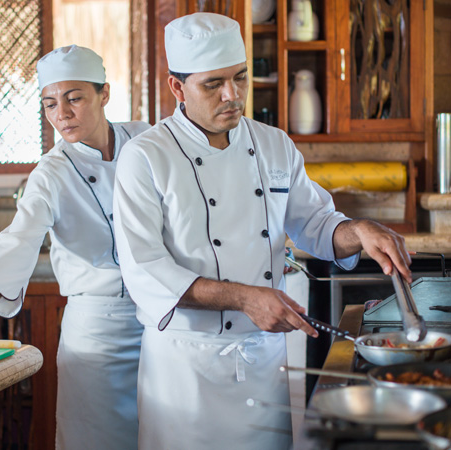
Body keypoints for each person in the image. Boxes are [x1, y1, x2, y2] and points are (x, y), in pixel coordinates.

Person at [112, 13, 412, 450]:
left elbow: (316, 224)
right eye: (212, 84)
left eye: (240, 78)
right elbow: (145, 270)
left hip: (262, 361)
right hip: (184, 369)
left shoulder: (273, 143)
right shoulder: (145, 157)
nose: (232, 95)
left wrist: (358, 231)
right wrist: (245, 297)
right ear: (177, 88)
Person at [0, 45, 150, 450]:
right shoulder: (51, 173)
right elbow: (14, 247)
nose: (62, 115)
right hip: (97, 335)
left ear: (104, 94)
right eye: (50, 104)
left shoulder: (143, 139)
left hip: (158, 324)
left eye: (74, 98)